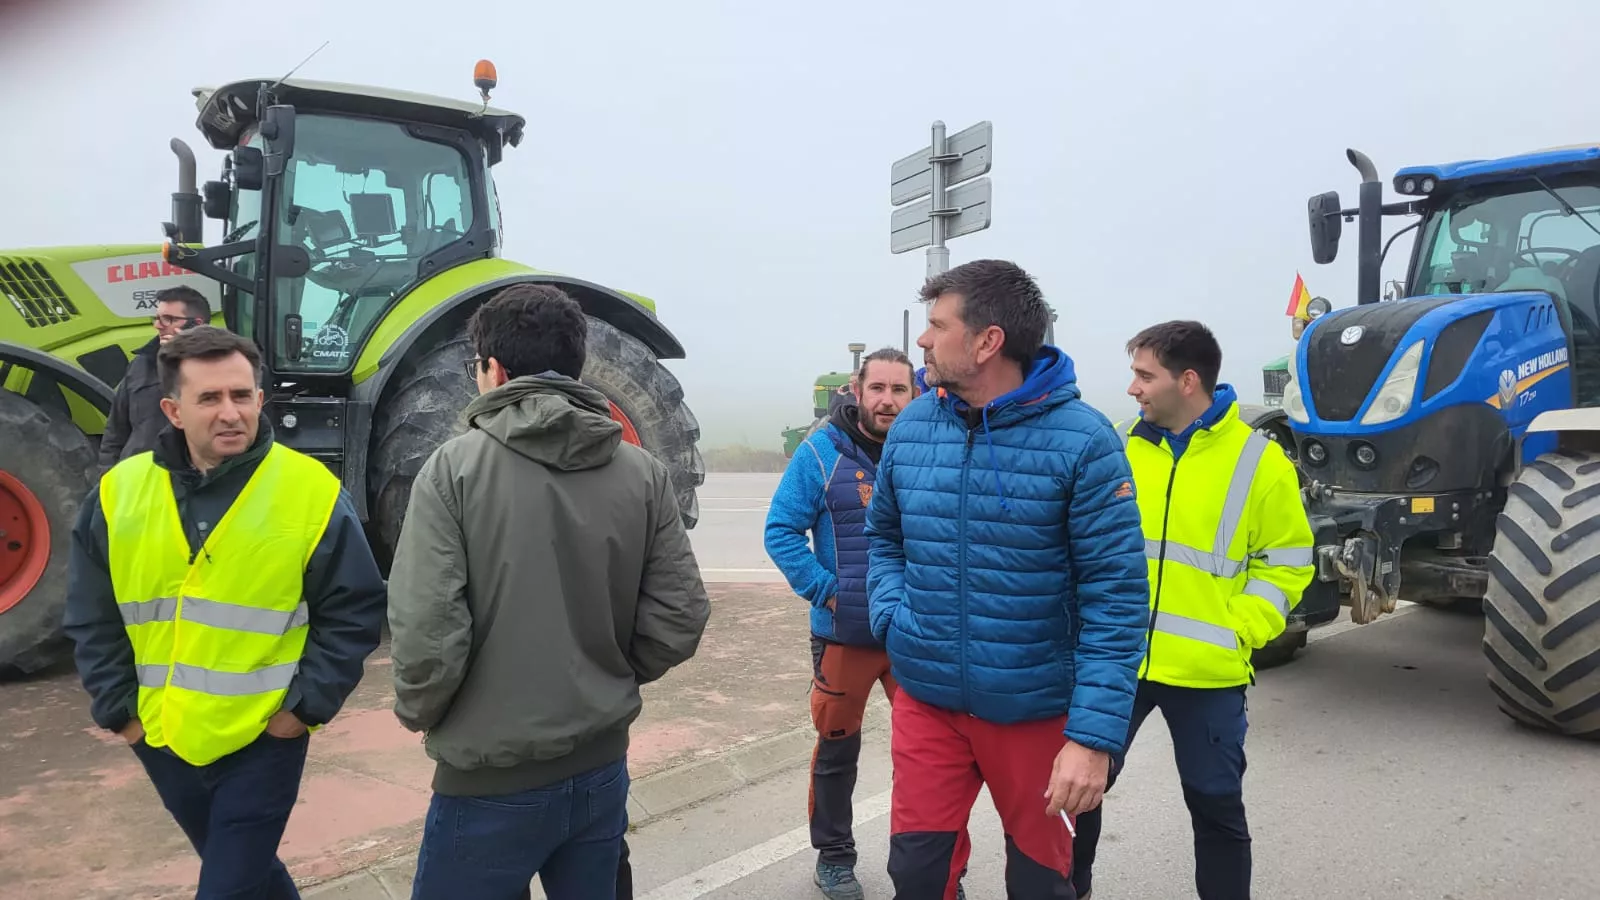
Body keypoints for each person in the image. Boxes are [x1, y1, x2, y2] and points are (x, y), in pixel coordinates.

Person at [387, 283, 712, 900]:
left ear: (494, 369)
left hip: (485, 781)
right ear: (576, 365)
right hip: (599, 770)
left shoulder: (453, 470)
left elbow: (428, 632)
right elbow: (681, 614)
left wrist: (422, 712)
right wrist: (605, 678)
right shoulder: (641, 472)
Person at [60, 325, 388, 899]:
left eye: (241, 395)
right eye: (209, 398)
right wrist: (121, 712)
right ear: (173, 410)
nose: (230, 412)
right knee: (247, 874)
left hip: (265, 737)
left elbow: (354, 610)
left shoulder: (309, 491)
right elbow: (92, 612)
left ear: (261, 400)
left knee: (227, 888)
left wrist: (302, 710)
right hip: (164, 737)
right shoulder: (120, 492)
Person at [865, 259, 1151, 899]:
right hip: (928, 698)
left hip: (1035, 711)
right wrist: (892, 613)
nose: (922, 340)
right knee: (915, 875)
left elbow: (1117, 600)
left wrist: (1091, 738)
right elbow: (884, 536)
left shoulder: (1084, 442)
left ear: (986, 341)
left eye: (937, 326)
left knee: (1042, 885)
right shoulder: (913, 427)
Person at [1069, 320, 1314, 900]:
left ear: (1187, 380)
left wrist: (1242, 629)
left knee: (1216, 807)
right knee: (1079, 792)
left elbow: (1288, 562)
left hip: (1208, 669)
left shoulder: (1260, 462)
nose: (1133, 388)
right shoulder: (1121, 446)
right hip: (1117, 661)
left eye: (1143, 375)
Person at [764, 347, 928, 900]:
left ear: (914, 394)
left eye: (899, 389)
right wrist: (828, 592)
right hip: (845, 635)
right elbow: (781, 531)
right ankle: (834, 857)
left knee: (928, 754)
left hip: (914, 633)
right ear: (857, 391)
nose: (887, 400)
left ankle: (926, 864)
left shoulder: (929, 450)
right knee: (838, 751)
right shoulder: (820, 454)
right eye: (877, 388)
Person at [98, 285, 212, 472]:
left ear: (197, 324)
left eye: (168, 319)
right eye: (157, 318)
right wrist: (108, 476)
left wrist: (184, 354)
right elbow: (115, 433)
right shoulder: (140, 365)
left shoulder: (219, 367)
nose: (158, 325)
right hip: (137, 479)